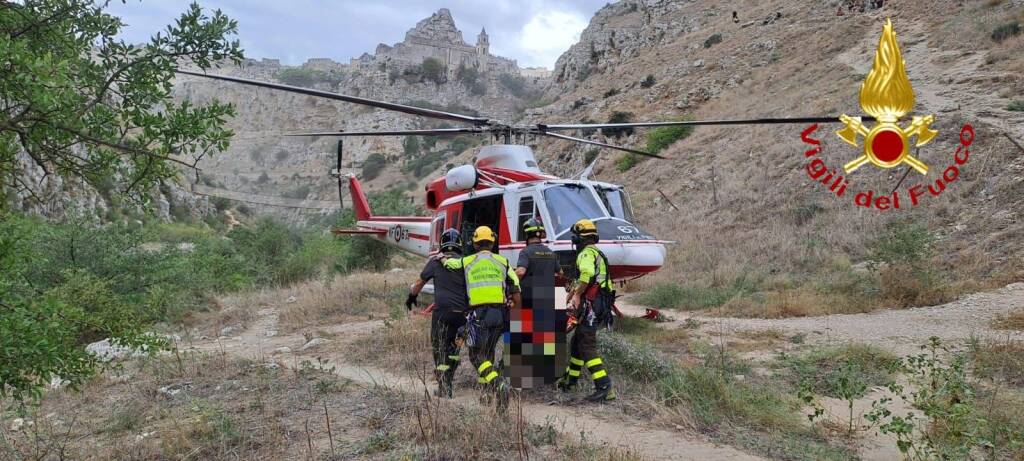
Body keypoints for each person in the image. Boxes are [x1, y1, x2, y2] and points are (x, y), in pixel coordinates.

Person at [442, 225, 521, 412]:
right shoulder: (503, 261)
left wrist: (442, 258)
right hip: (500, 314)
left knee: (475, 355)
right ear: (492, 243)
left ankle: (498, 384)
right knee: (489, 353)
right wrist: (512, 305)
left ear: (475, 244)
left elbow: (451, 264)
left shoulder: (468, 260)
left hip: (479, 315)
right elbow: (516, 286)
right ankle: (485, 394)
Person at [556, 218, 617, 402]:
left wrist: (576, 295)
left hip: (592, 304)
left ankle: (604, 387)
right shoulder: (596, 252)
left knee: (587, 345)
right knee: (577, 343)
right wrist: (574, 292)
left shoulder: (585, 254)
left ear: (578, 239)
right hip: (599, 304)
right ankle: (570, 382)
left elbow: (587, 275)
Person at [406, 229, 468, 398]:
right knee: (455, 348)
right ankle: (449, 380)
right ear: (459, 244)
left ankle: (444, 386)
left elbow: (419, 282)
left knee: (439, 348)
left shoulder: (435, 262)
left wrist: (412, 296)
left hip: (441, 313)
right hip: (462, 315)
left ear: (442, 244)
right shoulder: (465, 262)